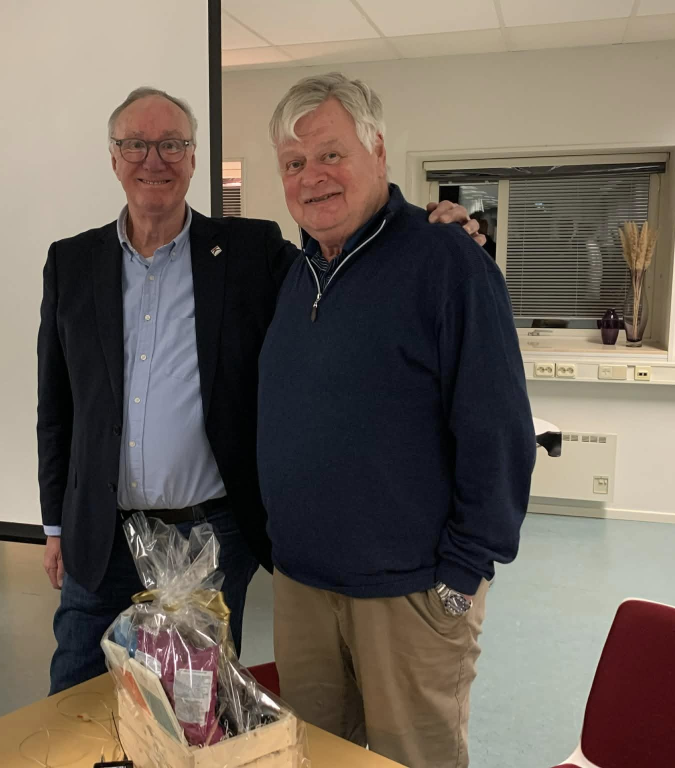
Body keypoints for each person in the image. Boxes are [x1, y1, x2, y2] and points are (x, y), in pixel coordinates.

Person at [36, 86, 483, 695]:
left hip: (210, 541)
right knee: (72, 703)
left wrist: (430, 231)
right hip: (100, 535)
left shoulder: (248, 252)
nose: (153, 160)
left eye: (171, 144)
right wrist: (54, 526)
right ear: (113, 157)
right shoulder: (71, 262)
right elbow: (56, 407)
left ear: (193, 157)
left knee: (195, 709)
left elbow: (343, 268)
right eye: (135, 144)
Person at [257, 73, 536, 767]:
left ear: (377, 150)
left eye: (331, 154)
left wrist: (463, 574)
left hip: (409, 592)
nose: (312, 177)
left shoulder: (448, 261)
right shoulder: (296, 275)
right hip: (303, 587)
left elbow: (498, 429)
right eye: (293, 163)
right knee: (314, 758)